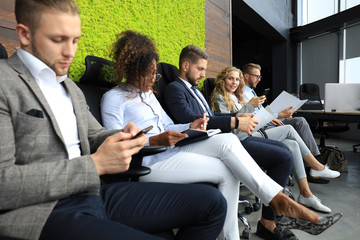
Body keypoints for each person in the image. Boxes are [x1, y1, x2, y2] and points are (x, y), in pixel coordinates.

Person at [0, 1, 230, 239]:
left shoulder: (68, 87)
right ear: (24, 35)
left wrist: (127, 136)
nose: (70, 51)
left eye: (75, 40)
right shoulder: (5, 83)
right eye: (59, 39)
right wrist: (96, 165)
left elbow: (95, 134)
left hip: (93, 194)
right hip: (43, 209)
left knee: (213, 203)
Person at [101, 30, 342, 240]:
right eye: (148, 74)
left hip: (173, 148)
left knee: (227, 149)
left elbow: (168, 125)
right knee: (230, 161)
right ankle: (276, 199)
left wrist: (190, 125)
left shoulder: (149, 96)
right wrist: (154, 140)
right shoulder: (112, 99)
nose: (154, 79)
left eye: (155, 73)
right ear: (131, 70)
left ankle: (239, 229)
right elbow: (115, 145)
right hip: (151, 160)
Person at [211, 66, 340, 216]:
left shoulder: (238, 97)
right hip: (242, 138)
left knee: (292, 144)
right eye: (230, 78)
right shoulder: (221, 97)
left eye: (237, 79)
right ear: (223, 80)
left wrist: (271, 115)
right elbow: (231, 125)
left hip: (254, 131)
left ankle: (306, 194)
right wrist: (250, 107)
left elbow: (254, 117)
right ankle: (316, 166)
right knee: (289, 130)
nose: (234, 82)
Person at [241, 63, 337, 183]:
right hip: (261, 124)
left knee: (300, 121)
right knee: (295, 125)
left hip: (269, 119)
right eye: (257, 77)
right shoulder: (242, 93)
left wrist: (278, 111)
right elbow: (250, 115)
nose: (259, 80)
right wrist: (278, 115)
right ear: (246, 76)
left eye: (260, 77)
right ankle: (313, 167)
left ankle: (313, 164)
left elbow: (261, 111)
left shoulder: (252, 92)